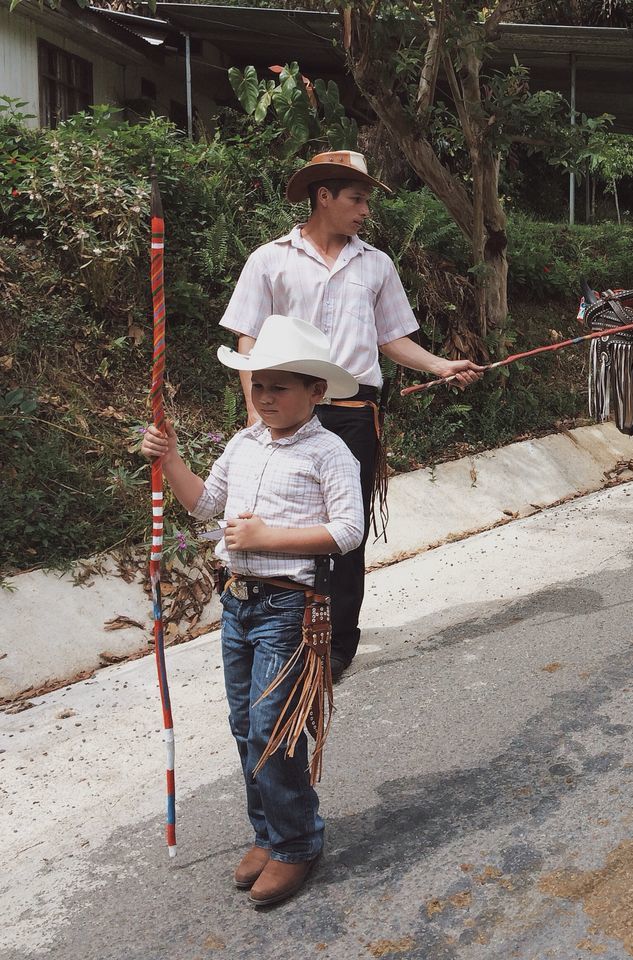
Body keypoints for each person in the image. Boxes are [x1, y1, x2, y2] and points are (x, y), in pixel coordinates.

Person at [220, 151, 484, 682]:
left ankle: (338, 642)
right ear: (324, 196)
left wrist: (440, 365)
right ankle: (282, 627)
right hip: (284, 411)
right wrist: (256, 413)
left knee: (345, 530)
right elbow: (248, 338)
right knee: (284, 521)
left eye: (366, 200)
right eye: (357, 199)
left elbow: (392, 338)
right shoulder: (269, 260)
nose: (365, 210)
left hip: (355, 414)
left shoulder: (376, 265)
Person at [140, 315, 364, 907]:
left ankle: (297, 841)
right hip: (238, 602)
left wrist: (268, 537)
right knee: (244, 723)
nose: (265, 398)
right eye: (257, 385)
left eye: (280, 386)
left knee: (274, 730)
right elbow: (205, 505)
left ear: (316, 391)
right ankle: (267, 832)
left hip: (291, 609)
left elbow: (347, 531)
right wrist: (170, 460)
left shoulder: (329, 451)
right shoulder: (241, 445)